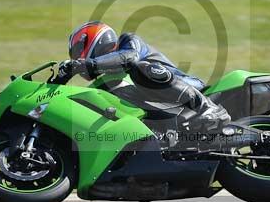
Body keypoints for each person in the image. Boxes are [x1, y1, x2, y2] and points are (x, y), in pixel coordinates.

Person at [58, 21, 230, 131]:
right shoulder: (111, 77)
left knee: (139, 68)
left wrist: (91, 64)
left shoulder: (127, 41)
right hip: (164, 107)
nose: (78, 58)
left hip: (188, 85)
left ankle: (207, 108)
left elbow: (129, 58)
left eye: (79, 51)